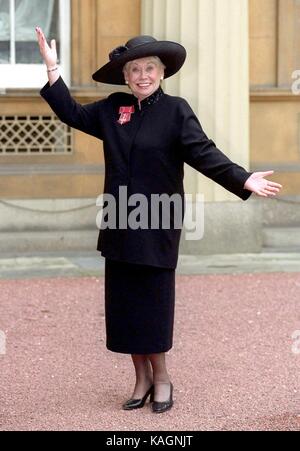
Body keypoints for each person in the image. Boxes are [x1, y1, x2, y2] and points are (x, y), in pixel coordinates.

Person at [36, 28, 282, 414]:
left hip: (158, 223)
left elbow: (204, 152)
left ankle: (162, 377)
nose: (142, 75)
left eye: (149, 68)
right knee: (125, 306)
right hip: (119, 223)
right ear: (126, 76)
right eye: (134, 69)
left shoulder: (176, 110)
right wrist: (53, 70)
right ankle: (141, 378)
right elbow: (71, 112)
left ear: (162, 72)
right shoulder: (111, 109)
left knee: (152, 303)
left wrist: (243, 177)